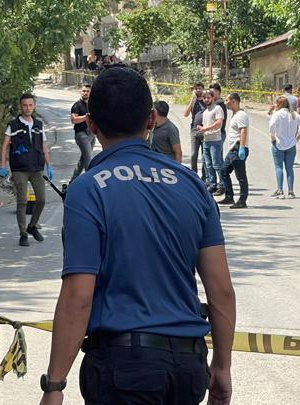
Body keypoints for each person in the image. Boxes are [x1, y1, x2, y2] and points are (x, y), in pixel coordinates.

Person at [40, 66, 235, 405]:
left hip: (124, 371)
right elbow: (222, 291)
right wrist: (222, 365)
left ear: (91, 124)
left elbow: (78, 296)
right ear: (150, 121)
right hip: (189, 370)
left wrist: (55, 385)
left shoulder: (88, 190)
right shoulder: (194, 186)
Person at [0, 93, 53, 247]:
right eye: (25, 105)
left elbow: (44, 146)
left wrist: (49, 165)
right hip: (19, 169)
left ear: (34, 106)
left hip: (37, 168)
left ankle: (32, 226)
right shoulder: (13, 125)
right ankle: (23, 234)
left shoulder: (39, 125)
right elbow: (4, 147)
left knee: (41, 200)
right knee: (22, 202)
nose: (28, 108)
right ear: (20, 106)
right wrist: (3, 166)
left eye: (30, 105)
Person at [269, 96, 300, 199]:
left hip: (278, 143)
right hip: (291, 144)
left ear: (279, 104)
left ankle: (280, 190)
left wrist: (273, 136)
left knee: (279, 167)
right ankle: (291, 191)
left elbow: (272, 125)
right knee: (289, 168)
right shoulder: (293, 114)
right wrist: (298, 137)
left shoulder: (277, 114)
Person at [218, 93, 250, 209]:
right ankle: (229, 196)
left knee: (241, 176)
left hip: (238, 149)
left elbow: (243, 131)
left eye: (227, 100)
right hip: (233, 150)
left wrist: (241, 148)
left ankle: (242, 200)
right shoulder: (235, 114)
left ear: (234, 101)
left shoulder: (241, 115)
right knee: (223, 171)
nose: (225, 103)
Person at [198, 90, 225, 194]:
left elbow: (219, 123)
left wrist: (205, 129)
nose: (206, 100)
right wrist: (202, 129)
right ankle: (213, 184)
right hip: (206, 140)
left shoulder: (217, 108)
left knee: (217, 164)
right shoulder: (205, 112)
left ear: (213, 97)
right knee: (208, 165)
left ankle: (222, 185)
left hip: (215, 141)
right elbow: (206, 127)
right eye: (204, 98)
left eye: (208, 97)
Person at [70, 84, 95, 181]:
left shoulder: (92, 105)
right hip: (81, 134)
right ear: (80, 92)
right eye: (84, 91)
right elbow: (74, 119)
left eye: (87, 91)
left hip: (92, 134)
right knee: (88, 158)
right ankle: (89, 182)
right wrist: (86, 117)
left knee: (83, 159)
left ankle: (72, 181)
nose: (85, 93)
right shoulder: (77, 105)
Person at [184, 82, 207, 174]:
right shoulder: (193, 101)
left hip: (205, 130)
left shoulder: (206, 100)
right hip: (194, 130)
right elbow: (185, 114)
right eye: (196, 88)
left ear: (203, 89)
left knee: (205, 156)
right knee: (194, 155)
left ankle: (205, 177)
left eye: (200, 88)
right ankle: (194, 175)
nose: (198, 90)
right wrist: (192, 101)